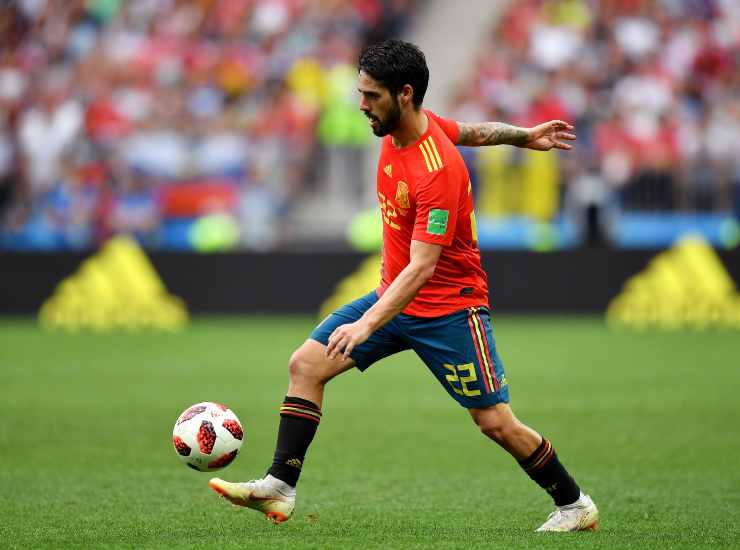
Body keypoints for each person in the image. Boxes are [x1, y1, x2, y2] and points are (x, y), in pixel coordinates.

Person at [209, 40, 598, 533]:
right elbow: (473, 131)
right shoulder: (413, 128)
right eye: (361, 93)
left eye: (371, 96)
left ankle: (574, 503)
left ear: (405, 94)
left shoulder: (437, 171)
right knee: (305, 364)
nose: (362, 105)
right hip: (396, 300)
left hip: (450, 310)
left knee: (494, 422)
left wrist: (367, 323)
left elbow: (422, 268)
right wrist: (523, 136)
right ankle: (280, 486)